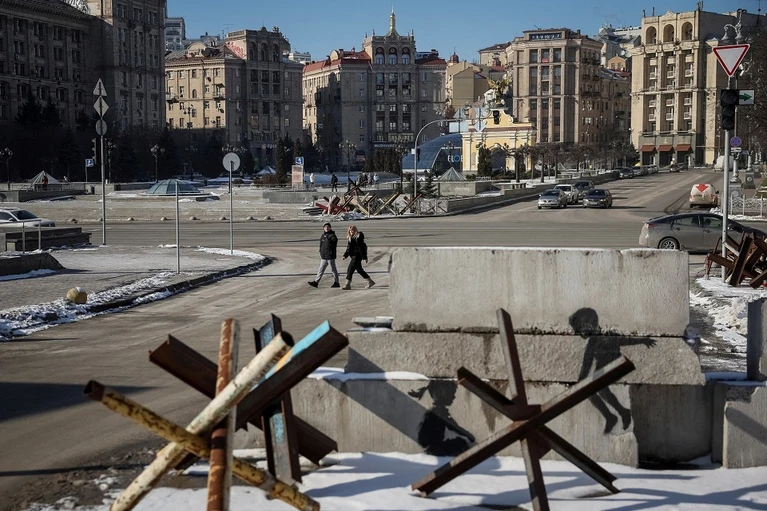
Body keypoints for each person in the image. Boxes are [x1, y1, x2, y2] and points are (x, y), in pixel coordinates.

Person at [342, 225, 374, 290]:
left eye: (353, 230)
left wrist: (365, 257)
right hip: (353, 256)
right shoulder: (350, 238)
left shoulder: (358, 237)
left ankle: (347, 284)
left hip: (357, 256)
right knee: (359, 270)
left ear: (355, 230)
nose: (351, 231)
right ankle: (370, 281)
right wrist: (345, 255)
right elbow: (348, 248)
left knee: (350, 269)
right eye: (350, 230)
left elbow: (362, 247)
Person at [308, 222, 340, 288]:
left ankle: (337, 282)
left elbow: (335, 241)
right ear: (323, 228)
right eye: (325, 227)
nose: (326, 228)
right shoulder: (323, 235)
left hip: (330, 256)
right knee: (320, 270)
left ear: (330, 228)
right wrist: (320, 251)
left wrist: (331, 241)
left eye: (328, 227)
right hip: (324, 256)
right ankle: (316, 282)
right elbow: (321, 245)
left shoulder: (332, 235)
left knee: (333, 270)